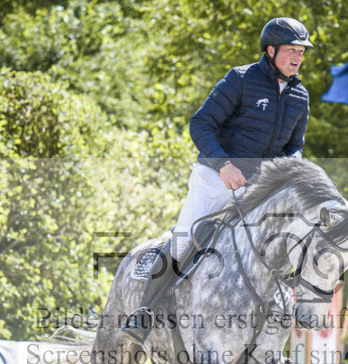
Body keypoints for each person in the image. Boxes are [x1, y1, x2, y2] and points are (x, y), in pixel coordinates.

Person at [123, 17, 313, 345]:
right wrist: (223, 165)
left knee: (289, 239)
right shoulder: (240, 79)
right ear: (271, 51)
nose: (298, 57)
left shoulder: (300, 96)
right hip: (215, 178)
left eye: (301, 51)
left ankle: (283, 325)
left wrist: (290, 167)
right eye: (291, 50)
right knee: (185, 238)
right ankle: (144, 312)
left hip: (258, 190)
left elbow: (294, 146)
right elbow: (201, 124)